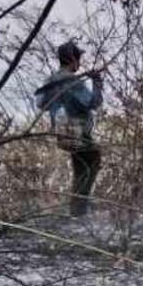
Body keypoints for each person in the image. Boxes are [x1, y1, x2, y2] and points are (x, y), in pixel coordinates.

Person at [34, 41, 103, 217]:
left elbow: (41, 104)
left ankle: (78, 209)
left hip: (61, 133)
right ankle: (79, 211)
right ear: (73, 59)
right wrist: (97, 82)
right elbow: (93, 103)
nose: (79, 62)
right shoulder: (74, 81)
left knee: (81, 168)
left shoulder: (50, 81)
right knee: (91, 163)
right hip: (79, 132)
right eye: (78, 58)